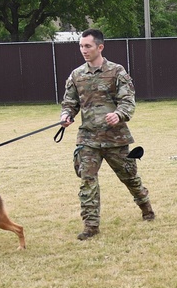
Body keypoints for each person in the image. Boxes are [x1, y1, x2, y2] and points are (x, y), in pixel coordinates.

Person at [60, 28, 154, 240]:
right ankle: (90, 226)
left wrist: (119, 115)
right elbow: (70, 103)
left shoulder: (116, 71)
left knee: (129, 177)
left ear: (100, 47)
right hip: (88, 139)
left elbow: (128, 101)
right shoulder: (77, 75)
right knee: (87, 180)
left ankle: (146, 206)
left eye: (88, 46)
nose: (84, 50)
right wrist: (66, 115)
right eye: (81, 46)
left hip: (115, 138)